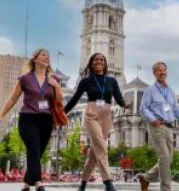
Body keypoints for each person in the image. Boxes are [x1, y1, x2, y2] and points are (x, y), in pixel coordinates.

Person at [64, 53, 130, 191]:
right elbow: (74, 99)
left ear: (105, 63)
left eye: (101, 60)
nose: (99, 61)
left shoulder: (112, 81)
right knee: (101, 146)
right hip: (92, 114)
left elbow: (118, 99)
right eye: (96, 59)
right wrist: (62, 113)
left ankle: (82, 183)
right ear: (91, 63)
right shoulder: (86, 81)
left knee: (94, 152)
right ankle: (108, 183)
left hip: (106, 115)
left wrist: (125, 104)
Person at [0, 48, 63, 191]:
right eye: (43, 55)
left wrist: (56, 86)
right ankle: (39, 184)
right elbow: (12, 99)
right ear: (35, 59)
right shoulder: (25, 79)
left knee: (37, 152)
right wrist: (1, 114)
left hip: (46, 120)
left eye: (48, 56)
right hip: (28, 118)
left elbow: (59, 101)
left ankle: (27, 184)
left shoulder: (54, 79)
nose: (47, 58)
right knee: (33, 149)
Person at [139, 62, 179, 191]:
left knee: (169, 159)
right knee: (164, 157)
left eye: (164, 70)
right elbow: (143, 108)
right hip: (157, 126)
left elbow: (176, 107)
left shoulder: (170, 90)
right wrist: (153, 120)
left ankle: (146, 178)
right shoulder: (150, 90)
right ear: (154, 73)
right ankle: (166, 188)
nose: (162, 72)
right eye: (159, 70)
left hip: (169, 127)